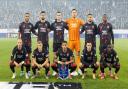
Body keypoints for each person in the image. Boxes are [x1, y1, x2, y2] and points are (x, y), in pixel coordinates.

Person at [65, 9, 84, 74]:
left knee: (78, 55)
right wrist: (68, 29)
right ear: (71, 13)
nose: (74, 13)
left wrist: (81, 31)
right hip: (70, 41)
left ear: (76, 13)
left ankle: (79, 69)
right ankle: (71, 69)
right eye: (73, 12)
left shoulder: (79, 21)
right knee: (70, 56)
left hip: (77, 41)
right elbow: (63, 24)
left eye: (75, 12)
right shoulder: (68, 20)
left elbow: (85, 25)